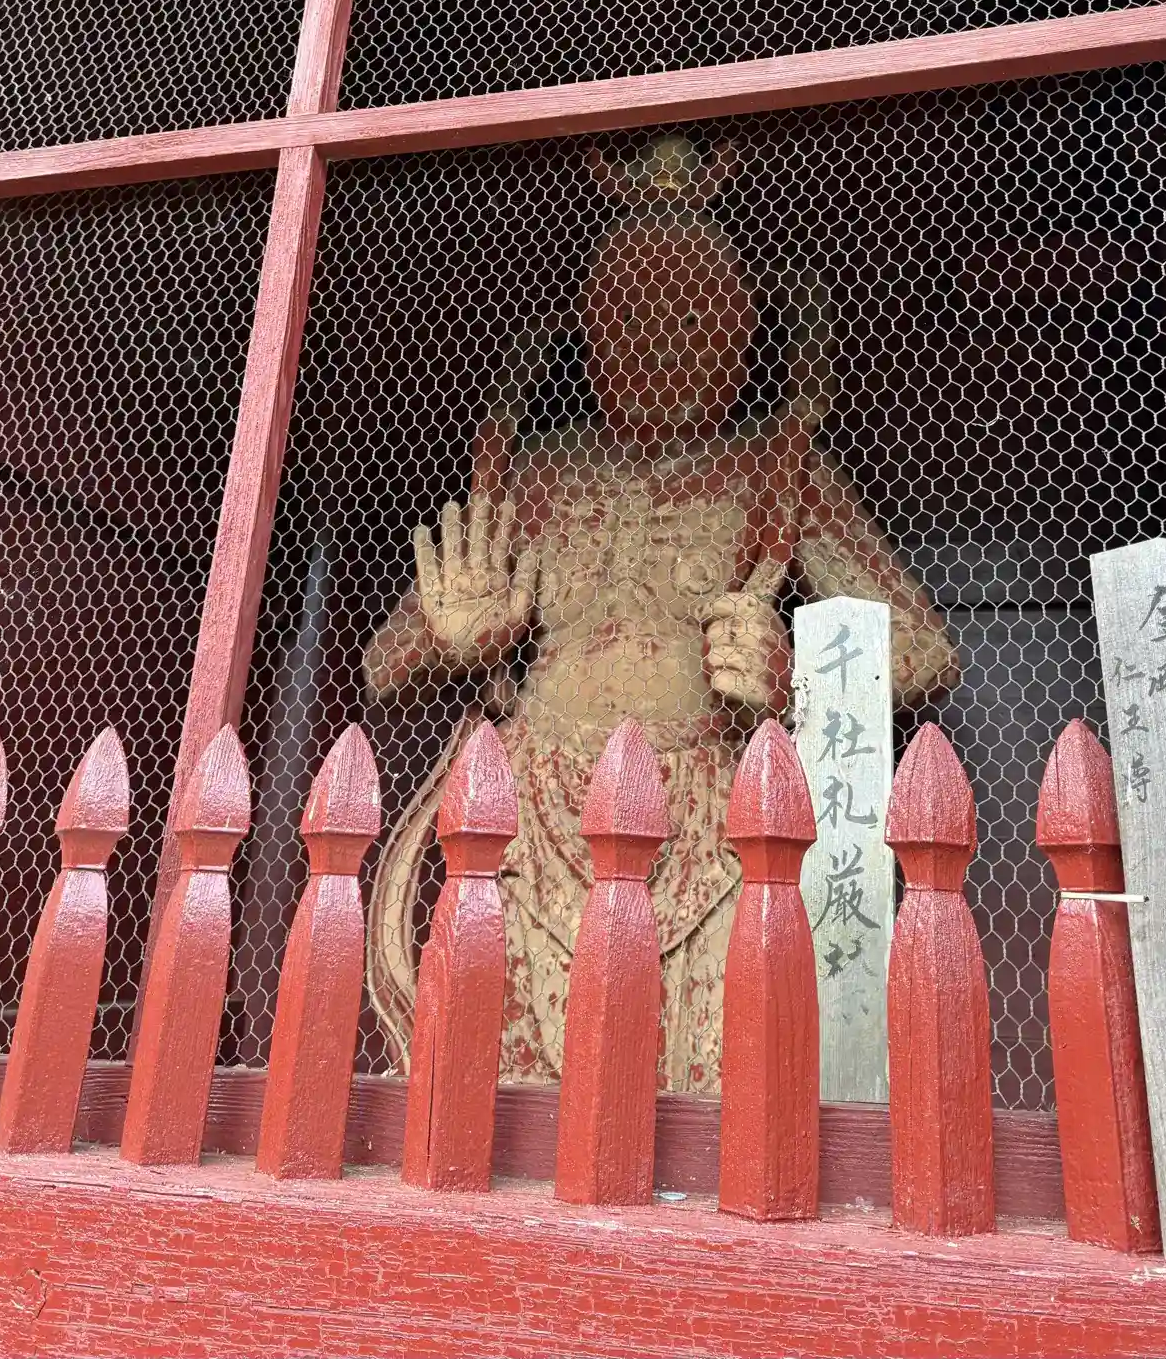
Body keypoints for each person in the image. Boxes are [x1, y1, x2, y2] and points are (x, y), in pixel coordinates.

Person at [364, 132, 957, 1090]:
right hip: (531, 812)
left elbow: (926, 650)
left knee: (701, 1090)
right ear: (589, 326)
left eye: (689, 315)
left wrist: (794, 671)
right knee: (504, 1097)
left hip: (705, 818)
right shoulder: (539, 472)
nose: (658, 343)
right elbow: (380, 666)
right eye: (630, 314)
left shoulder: (775, 465)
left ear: (741, 327)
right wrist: (454, 640)